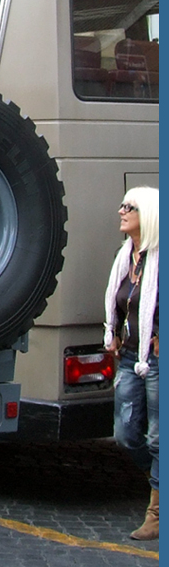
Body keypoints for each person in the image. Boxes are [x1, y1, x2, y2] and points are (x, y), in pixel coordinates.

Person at [103, 185, 159, 540]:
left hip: (156, 359)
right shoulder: (126, 257)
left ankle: (156, 513)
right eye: (122, 204)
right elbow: (120, 303)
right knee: (125, 434)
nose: (121, 211)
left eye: (130, 207)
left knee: (157, 438)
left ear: (149, 216)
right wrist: (114, 334)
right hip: (130, 358)